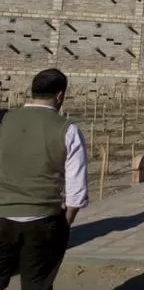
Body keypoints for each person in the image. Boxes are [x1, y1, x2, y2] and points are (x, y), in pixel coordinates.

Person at [0, 68, 88, 290]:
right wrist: (64, 223)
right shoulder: (68, 130)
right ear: (60, 96)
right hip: (43, 219)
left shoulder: (3, 120)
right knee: (37, 282)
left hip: (1, 215)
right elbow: (76, 193)